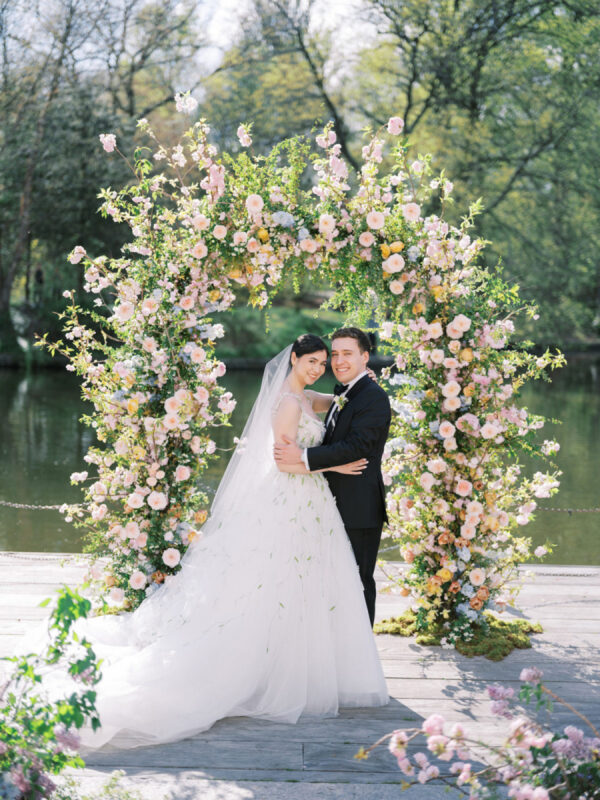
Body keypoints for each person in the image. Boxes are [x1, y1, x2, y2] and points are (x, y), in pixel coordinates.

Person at [43, 334, 388, 750]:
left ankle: (311, 663)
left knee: (311, 581)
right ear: (293, 359)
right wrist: (330, 465)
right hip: (295, 497)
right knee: (278, 580)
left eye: (326, 360)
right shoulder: (286, 404)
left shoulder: (319, 395)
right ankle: (272, 669)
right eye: (313, 360)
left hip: (315, 504)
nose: (321, 367)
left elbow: (339, 412)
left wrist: (357, 392)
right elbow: (284, 463)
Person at [274, 328, 391, 626]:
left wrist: (305, 457)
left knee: (358, 584)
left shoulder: (372, 397)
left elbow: (356, 447)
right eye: (333, 355)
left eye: (346, 354)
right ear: (294, 358)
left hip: (359, 508)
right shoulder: (341, 393)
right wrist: (326, 466)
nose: (336, 362)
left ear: (365, 357)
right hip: (322, 504)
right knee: (329, 584)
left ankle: (360, 656)